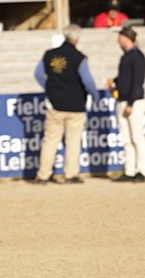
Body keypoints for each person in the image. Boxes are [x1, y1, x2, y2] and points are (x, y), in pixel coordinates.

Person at [33, 25, 98, 184]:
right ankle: (71, 174)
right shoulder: (79, 57)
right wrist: (95, 96)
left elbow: (38, 74)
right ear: (77, 38)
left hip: (55, 104)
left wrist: (50, 88)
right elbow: (87, 81)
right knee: (73, 141)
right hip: (75, 105)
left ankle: (43, 175)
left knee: (50, 141)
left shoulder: (49, 55)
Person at [109, 25, 145, 182]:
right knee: (127, 138)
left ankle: (142, 170)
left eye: (120, 37)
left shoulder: (137, 56)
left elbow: (137, 81)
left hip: (134, 102)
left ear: (127, 38)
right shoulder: (125, 56)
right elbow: (125, 78)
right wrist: (114, 83)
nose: (118, 40)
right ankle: (130, 170)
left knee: (137, 137)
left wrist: (131, 103)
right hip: (123, 100)